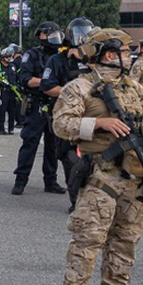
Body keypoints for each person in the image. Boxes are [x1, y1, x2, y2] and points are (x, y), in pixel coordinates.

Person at [51, 28, 143, 285]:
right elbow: (60, 124)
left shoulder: (135, 87)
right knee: (89, 238)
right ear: (109, 55)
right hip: (102, 174)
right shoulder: (80, 87)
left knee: (126, 238)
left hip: (135, 176)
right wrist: (99, 123)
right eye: (124, 51)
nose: (129, 55)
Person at [41, 18, 98, 207]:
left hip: (92, 115)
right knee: (69, 158)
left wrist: (91, 64)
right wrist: (72, 90)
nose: (81, 38)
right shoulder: (57, 60)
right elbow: (47, 86)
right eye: (78, 34)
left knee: (95, 159)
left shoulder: (94, 61)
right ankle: (76, 199)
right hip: (66, 115)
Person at [12, 21, 65, 196]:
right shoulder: (32, 55)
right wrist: (48, 83)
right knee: (30, 142)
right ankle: (20, 180)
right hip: (37, 104)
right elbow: (26, 79)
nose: (53, 38)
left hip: (55, 104)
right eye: (49, 34)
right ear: (40, 36)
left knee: (53, 145)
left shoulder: (60, 57)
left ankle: (51, 181)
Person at [0, 45, 22, 135]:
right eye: (7, 56)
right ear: (2, 57)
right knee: (2, 111)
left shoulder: (12, 66)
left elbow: (17, 78)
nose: (9, 58)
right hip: (2, 91)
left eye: (10, 56)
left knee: (12, 111)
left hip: (12, 92)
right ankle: (1, 129)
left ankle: (11, 128)